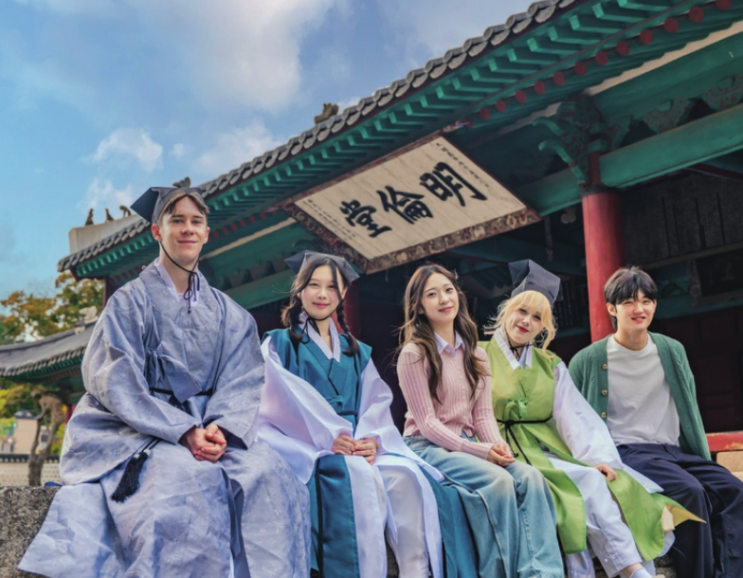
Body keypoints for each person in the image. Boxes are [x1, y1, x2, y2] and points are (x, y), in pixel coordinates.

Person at [20, 187, 310, 578]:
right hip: (137, 427)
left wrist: (221, 428)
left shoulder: (232, 315)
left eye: (196, 222)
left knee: (269, 472)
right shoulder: (127, 303)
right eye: (177, 221)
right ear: (157, 231)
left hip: (210, 427)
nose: (187, 229)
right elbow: (114, 379)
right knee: (188, 480)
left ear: (206, 233)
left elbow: (242, 379)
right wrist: (182, 430)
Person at [258, 251, 476, 578]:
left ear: (343, 293)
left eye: (332, 287)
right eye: (314, 285)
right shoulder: (278, 345)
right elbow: (281, 403)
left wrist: (372, 439)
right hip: (307, 444)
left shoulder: (356, 351)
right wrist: (330, 438)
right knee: (356, 476)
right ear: (299, 290)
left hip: (357, 443)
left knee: (408, 476)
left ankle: (415, 571)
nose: (322, 294)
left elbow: (375, 402)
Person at [484, 260, 698, 578]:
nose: (527, 321)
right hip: (496, 450)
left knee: (605, 481)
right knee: (578, 487)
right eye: (522, 311)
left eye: (537, 317)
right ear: (507, 310)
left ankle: (635, 569)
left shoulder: (550, 364)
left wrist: (598, 459)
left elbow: (574, 417)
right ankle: (631, 570)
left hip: (542, 450)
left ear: (545, 326)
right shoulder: (476, 356)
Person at [569, 266, 743, 578]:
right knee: (690, 492)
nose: (639, 309)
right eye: (629, 302)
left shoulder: (672, 350)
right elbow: (572, 417)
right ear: (612, 309)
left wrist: (700, 454)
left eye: (646, 301)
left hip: (674, 452)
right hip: (628, 452)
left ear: (655, 305)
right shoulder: (588, 360)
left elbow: (690, 407)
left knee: (733, 489)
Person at [397, 262, 564, 578]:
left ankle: (542, 574)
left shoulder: (477, 355)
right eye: (432, 294)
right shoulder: (414, 354)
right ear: (418, 306)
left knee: (531, 477)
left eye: (448, 290)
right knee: (499, 482)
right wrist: (480, 452)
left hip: (469, 445)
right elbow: (428, 423)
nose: (444, 299)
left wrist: (499, 448)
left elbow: (483, 416)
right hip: (427, 447)